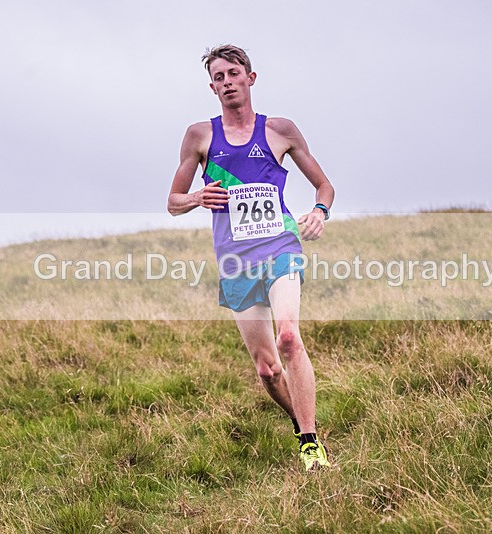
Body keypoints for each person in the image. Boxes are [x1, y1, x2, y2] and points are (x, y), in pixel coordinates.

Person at [167, 44, 335, 472]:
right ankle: (301, 425)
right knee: (266, 369)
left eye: (233, 74)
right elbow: (172, 201)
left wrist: (319, 212)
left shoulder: (279, 130)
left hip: (280, 246)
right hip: (235, 262)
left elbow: (324, 187)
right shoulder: (200, 136)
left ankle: (312, 444)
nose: (227, 82)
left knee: (289, 337)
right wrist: (197, 197)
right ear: (212, 87)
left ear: (251, 78)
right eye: (219, 77)